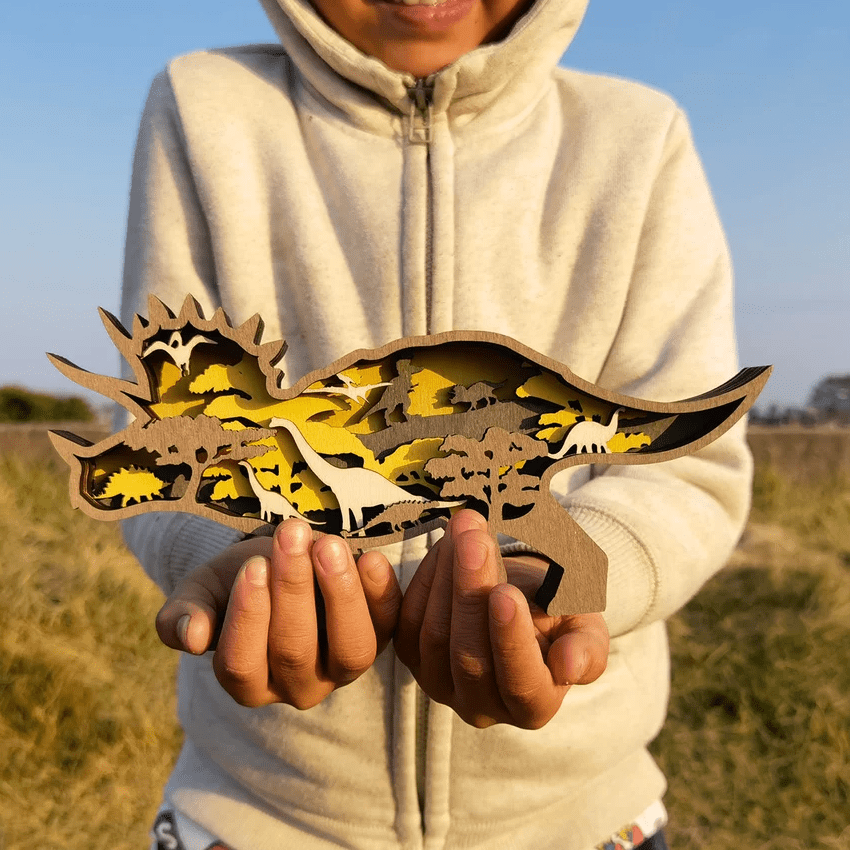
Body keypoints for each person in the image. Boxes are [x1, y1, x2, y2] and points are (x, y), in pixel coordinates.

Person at [121, 1, 751, 848]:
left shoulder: (636, 134)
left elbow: (689, 471)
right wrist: (232, 563)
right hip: (260, 810)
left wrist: (572, 583)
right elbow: (168, 436)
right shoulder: (205, 104)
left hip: (581, 814)